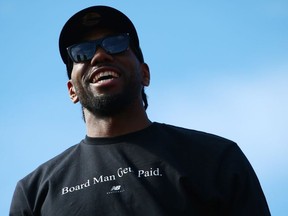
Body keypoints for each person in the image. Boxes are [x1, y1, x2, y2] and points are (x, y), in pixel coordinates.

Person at [10, 5, 271, 216]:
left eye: (115, 43)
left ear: (145, 74)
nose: (99, 56)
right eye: (81, 52)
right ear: (72, 91)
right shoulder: (34, 193)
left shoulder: (216, 159)